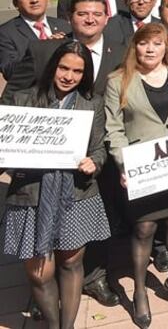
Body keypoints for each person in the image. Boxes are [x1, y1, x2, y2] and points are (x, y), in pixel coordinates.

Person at [3, 42, 110, 329]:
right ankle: (53, 324)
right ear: (53, 67)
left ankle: (67, 326)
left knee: (71, 264)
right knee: (39, 274)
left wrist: (94, 162)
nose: (69, 76)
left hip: (76, 193)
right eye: (64, 68)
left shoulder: (92, 102)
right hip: (31, 194)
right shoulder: (23, 99)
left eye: (78, 71)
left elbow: (100, 148)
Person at [104, 24, 168, 326]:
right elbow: (114, 129)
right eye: (144, 43)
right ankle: (139, 293)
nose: (150, 49)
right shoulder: (117, 80)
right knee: (144, 229)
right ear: (134, 47)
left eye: (157, 44)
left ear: (166, 47)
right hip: (143, 169)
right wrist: (125, 166)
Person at [0, 0, 71, 80]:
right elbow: (10, 71)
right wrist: (42, 49)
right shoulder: (5, 32)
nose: (34, 0)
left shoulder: (64, 25)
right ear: (15, 3)